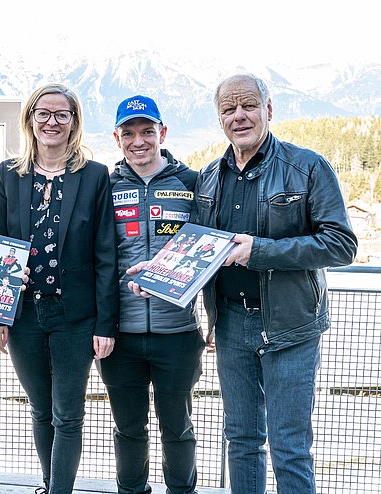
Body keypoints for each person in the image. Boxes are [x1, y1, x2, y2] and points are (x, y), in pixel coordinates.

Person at [130, 74, 357, 494]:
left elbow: (341, 244)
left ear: (268, 110)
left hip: (290, 328)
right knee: (242, 441)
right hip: (231, 326)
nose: (240, 116)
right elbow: (195, 248)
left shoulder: (306, 166)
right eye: (229, 109)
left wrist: (261, 251)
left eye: (248, 105)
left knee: (290, 447)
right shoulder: (211, 178)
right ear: (219, 119)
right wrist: (158, 274)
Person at [0, 83, 119, 494]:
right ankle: (50, 485)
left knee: (68, 414)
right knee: (41, 411)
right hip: (24, 315)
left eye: (62, 114)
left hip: (75, 317)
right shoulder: (9, 174)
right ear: (29, 119)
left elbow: (105, 255)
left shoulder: (95, 176)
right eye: (43, 113)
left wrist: (105, 324)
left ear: (74, 122)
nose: (52, 122)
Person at [99, 95, 203, 494]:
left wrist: (212, 319)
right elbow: (96, 258)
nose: (138, 141)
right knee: (128, 429)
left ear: (162, 132)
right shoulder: (104, 186)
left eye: (147, 131)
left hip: (177, 332)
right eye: (129, 133)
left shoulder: (192, 183)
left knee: (177, 427)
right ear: (117, 137)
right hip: (119, 336)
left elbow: (209, 251)